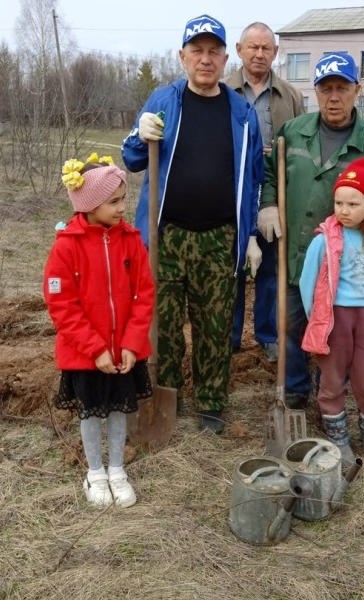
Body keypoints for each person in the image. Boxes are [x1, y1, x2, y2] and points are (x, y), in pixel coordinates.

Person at [121, 14, 264, 434]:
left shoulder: (241, 112)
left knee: (214, 327)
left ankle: (211, 405)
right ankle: (166, 398)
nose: (205, 59)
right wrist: (139, 135)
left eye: (213, 52)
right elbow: (132, 160)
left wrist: (251, 231)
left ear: (225, 58)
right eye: (196, 51)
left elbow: (252, 176)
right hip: (168, 236)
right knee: (163, 325)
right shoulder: (164, 101)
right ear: (182, 57)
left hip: (221, 237)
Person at [257, 51, 364, 411]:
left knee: (338, 333)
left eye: (342, 88)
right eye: (326, 88)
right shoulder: (293, 133)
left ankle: (330, 394)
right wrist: (268, 203)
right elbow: (271, 174)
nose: (334, 97)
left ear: (356, 90)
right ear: (316, 92)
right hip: (298, 254)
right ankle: (296, 393)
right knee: (292, 325)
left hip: (346, 266)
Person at [43, 155, 155, 508]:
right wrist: (96, 349)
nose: (124, 207)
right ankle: (95, 472)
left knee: (120, 409)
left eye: (124, 199)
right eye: (115, 201)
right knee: (91, 412)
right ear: (89, 204)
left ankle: (117, 468)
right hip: (86, 354)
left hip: (123, 350)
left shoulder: (131, 240)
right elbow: (63, 305)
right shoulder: (66, 247)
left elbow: (144, 293)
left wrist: (132, 343)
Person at [299, 157, 364, 464]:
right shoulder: (325, 241)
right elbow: (309, 282)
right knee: (332, 377)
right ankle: (338, 435)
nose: (344, 210)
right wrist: (316, 321)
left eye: (353, 204)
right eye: (339, 202)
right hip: (336, 318)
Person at [225, 22, 305, 362]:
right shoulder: (222, 90)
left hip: (273, 193)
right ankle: (229, 336)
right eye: (252, 47)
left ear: (275, 53)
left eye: (266, 48)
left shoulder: (291, 96)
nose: (259, 54)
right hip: (229, 193)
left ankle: (268, 335)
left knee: (271, 268)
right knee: (232, 268)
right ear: (240, 50)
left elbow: (301, 142)